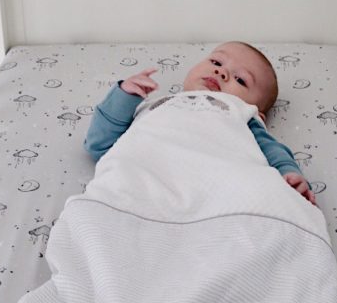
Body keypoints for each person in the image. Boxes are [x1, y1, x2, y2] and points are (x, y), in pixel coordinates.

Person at [84, 41, 316, 204]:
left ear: (257, 114)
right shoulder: (154, 106)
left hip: (215, 193)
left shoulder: (241, 116)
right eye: (216, 61)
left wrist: (289, 175)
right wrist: (124, 97)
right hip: (143, 184)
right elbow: (99, 145)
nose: (221, 72)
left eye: (240, 79)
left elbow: (275, 153)